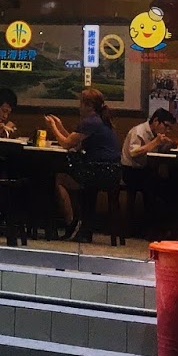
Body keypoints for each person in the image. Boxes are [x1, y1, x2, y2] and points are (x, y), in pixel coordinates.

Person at [46, 88, 121, 242]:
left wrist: (52, 126)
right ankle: (82, 226)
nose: (79, 107)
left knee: (59, 178)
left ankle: (72, 222)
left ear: (89, 106)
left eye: (81, 103)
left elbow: (67, 144)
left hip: (99, 170)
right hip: (112, 171)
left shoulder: (90, 122)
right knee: (71, 177)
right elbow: (74, 141)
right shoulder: (100, 120)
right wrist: (60, 126)